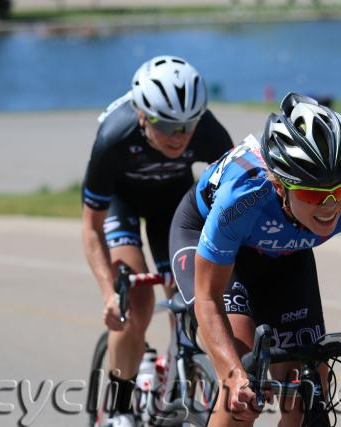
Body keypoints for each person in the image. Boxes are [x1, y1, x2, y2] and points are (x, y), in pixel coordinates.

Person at [168, 93, 341, 426]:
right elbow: (208, 298)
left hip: (286, 252)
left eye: (340, 190)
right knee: (245, 388)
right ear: (280, 186)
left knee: (308, 392)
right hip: (212, 242)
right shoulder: (242, 198)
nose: (330, 206)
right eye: (311, 194)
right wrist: (232, 373)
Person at [81, 55, 233, 426]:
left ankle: (180, 386)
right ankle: (119, 409)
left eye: (187, 125)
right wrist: (108, 292)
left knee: (193, 302)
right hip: (122, 203)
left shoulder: (209, 133)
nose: (179, 136)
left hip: (174, 205)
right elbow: (91, 227)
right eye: (167, 125)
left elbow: (233, 207)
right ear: (141, 115)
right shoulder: (114, 138)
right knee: (136, 305)